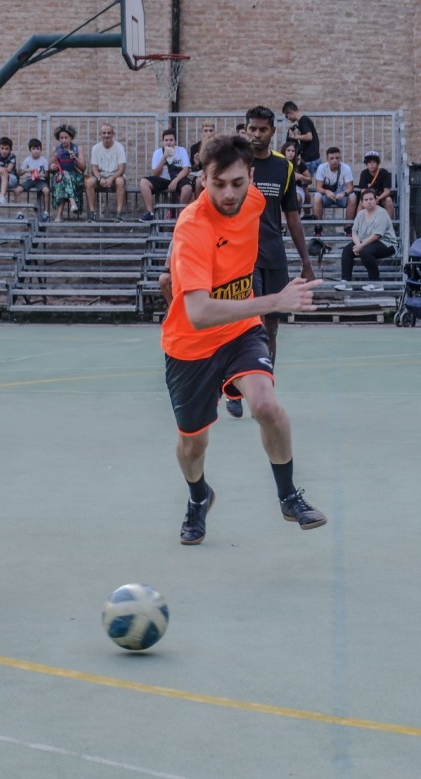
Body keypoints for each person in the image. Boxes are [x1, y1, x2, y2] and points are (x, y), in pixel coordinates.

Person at [162, 133, 327, 545]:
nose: (229, 194)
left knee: (267, 406)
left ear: (251, 178)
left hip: (240, 330)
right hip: (191, 344)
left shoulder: (254, 201)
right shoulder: (193, 226)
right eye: (218, 184)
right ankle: (198, 497)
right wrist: (275, 300)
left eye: (237, 183)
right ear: (202, 179)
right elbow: (199, 314)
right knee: (192, 446)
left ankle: (288, 496)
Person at [222, 106, 316, 419]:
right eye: (252, 129)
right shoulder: (236, 164)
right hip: (242, 258)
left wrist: (306, 261)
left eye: (263, 129)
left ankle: (264, 390)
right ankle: (236, 389)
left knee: (272, 327)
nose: (257, 134)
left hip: (274, 256)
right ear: (245, 129)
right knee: (250, 325)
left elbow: (292, 216)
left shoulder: (283, 167)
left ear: (273, 132)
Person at [340, 188, 398, 288]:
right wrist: (358, 244)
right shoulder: (360, 214)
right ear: (362, 202)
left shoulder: (382, 213)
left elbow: (377, 235)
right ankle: (346, 282)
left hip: (386, 243)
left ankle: (376, 283)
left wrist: (361, 246)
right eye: (366, 200)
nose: (369, 202)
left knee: (365, 251)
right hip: (366, 243)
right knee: (347, 250)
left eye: (371, 199)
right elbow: (354, 231)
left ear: (376, 200)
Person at [139, 128, 191, 221]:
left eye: (171, 140)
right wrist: (164, 158)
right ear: (163, 141)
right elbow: (156, 173)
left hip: (177, 178)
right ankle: (150, 212)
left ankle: (181, 214)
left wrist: (176, 180)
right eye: (166, 140)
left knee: (188, 188)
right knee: (143, 182)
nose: (168, 143)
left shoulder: (181, 150)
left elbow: (186, 169)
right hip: (162, 179)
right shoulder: (157, 153)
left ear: (175, 141)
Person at [85, 123, 128, 222]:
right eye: (104, 133)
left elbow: (122, 168)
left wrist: (111, 178)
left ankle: (119, 214)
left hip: (115, 175)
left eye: (109, 133)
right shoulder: (95, 148)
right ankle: (92, 214)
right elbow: (93, 168)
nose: (106, 135)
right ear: (100, 134)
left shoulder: (119, 147)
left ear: (113, 134)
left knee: (120, 181)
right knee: (89, 182)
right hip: (101, 175)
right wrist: (100, 178)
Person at [48, 124, 85, 219]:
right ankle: (72, 202)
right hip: (60, 176)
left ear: (71, 137)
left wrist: (75, 159)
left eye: (66, 137)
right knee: (64, 177)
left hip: (75, 177)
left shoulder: (77, 148)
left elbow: (83, 168)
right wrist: (52, 167)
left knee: (64, 181)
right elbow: (50, 168)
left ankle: (59, 215)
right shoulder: (55, 150)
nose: (64, 140)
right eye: (61, 138)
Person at [310, 147, 354, 226]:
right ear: (327, 159)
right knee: (316, 197)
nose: (335, 160)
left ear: (340, 158)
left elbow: (350, 188)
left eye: (337, 158)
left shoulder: (346, 168)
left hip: (341, 195)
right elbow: (318, 187)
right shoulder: (322, 168)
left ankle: (348, 227)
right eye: (332, 158)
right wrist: (326, 191)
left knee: (353, 197)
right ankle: (318, 227)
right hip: (326, 196)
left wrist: (343, 194)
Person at [282, 102, 321, 175]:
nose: (288, 118)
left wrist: (294, 136)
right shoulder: (303, 121)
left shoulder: (303, 120)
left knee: (303, 180)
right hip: (312, 159)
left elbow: (309, 136)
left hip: (310, 160)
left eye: (286, 116)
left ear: (290, 113)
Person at [16, 138, 50, 222]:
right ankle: (19, 213)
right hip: (30, 180)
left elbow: (47, 174)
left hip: (41, 180)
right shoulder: (27, 160)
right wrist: (27, 170)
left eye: (38, 148)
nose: (36, 151)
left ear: (41, 150)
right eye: (34, 149)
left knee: (46, 191)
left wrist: (41, 174)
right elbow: (19, 173)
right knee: (17, 190)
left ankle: (46, 213)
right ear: (30, 150)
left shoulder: (44, 160)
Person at [352, 151, 394, 218]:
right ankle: (358, 222)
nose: (371, 164)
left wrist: (378, 198)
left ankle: (389, 223)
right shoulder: (364, 173)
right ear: (366, 164)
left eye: (374, 162)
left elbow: (387, 191)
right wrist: (371, 199)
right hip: (369, 197)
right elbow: (363, 191)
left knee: (388, 200)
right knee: (361, 202)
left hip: (381, 197)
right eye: (369, 162)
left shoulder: (384, 172)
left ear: (378, 163)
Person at [188, 122, 216, 196]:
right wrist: (196, 163)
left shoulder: (219, 146)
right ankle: (199, 202)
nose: (208, 133)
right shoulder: (195, 147)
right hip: (200, 175)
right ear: (202, 133)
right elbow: (193, 169)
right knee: (198, 181)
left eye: (210, 130)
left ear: (214, 132)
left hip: (215, 173)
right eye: (205, 131)